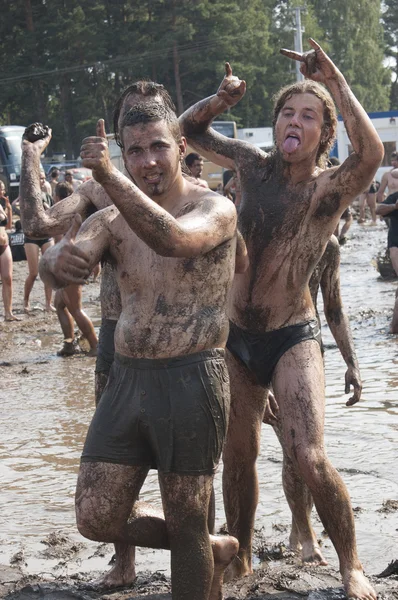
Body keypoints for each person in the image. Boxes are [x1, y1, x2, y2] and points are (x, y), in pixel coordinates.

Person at [19, 81, 246, 590]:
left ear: (181, 146)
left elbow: (173, 239)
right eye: (136, 151)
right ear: (125, 152)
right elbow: (60, 264)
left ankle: (200, 551)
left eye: (159, 146)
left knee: (187, 515)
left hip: (192, 378)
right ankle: (214, 550)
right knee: (94, 515)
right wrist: (57, 262)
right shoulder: (111, 218)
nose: (148, 162)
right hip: (127, 379)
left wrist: (108, 176)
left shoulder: (215, 209)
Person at [179, 39, 383, 600]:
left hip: (293, 336)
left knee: (309, 457)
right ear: (274, 124)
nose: (295, 122)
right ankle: (241, 556)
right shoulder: (250, 164)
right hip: (236, 336)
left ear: (324, 133)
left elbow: (370, 157)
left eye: (309, 117)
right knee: (237, 455)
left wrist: (335, 81)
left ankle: (352, 564)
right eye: (288, 113)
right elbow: (189, 133)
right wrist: (220, 98)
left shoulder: (326, 190)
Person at [264, 235, 362, 562]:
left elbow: (333, 307)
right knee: (261, 452)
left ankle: (300, 531)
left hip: (305, 351)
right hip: (256, 351)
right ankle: (300, 535)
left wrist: (352, 363)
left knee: (302, 448)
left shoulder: (327, 245)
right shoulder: (261, 234)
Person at [52, 181, 98, 357]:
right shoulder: (80, 212)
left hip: (69, 264)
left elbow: (59, 242)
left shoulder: (63, 214)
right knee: (59, 304)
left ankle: (95, 345)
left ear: (57, 197)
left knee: (75, 308)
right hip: (75, 261)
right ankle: (69, 344)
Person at [23, 172, 55, 312]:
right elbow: (24, 213)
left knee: (48, 271)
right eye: (39, 178)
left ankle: (48, 304)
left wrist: (48, 209)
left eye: (43, 178)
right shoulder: (28, 196)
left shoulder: (47, 196)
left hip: (46, 236)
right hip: (32, 237)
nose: (42, 180)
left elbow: (53, 214)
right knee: (34, 272)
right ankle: (25, 301)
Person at [376, 190, 398, 333]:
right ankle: (393, 329)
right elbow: (379, 209)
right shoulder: (396, 197)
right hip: (396, 246)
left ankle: (393, 328)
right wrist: (395, 207)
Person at [0, 183, 20, 321]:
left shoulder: (1, 205)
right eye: (0, 188)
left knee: (8, 278)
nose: (2, 191)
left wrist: (8, 208)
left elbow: (8, 225)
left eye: (2, 188)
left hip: (4, 245)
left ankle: (8, 313)